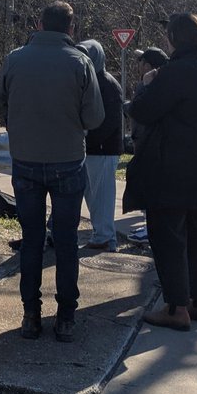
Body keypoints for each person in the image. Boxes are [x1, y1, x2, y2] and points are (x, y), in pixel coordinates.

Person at [0, 1, 104, 342]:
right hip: (68, 161)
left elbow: (0, 108)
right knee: (67, 242)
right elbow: (94, 118)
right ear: (71, 29)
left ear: (39, 23)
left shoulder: (15, 59)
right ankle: (66, 317)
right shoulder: (80, 62)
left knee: (31, 240)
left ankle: (30, 313)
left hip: (25, 161)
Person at [126, 13, 197, 331]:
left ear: (174, 39)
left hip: (170, 170)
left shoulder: (174, 72)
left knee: (168, 239)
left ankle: (176, 307)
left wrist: (146, 84)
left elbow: (142, 111)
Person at [76, 40, 124, 252]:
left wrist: (89, 138)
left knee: (102, 195)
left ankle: (105, 237)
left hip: (103, 149)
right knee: (92, 195)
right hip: (91, 148)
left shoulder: (107, 83)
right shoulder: (88, 80)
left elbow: (109, 121)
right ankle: (100, 234)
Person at [124, 48, 169, 246]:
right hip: (147, 143)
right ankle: (150, 226)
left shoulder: (152, 85)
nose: (137, 67)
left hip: (149, 145)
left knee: (151, 190)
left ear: (148, 66)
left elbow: (140, 110)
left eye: (140, 63)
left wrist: (129, 105)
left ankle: (151, 230)